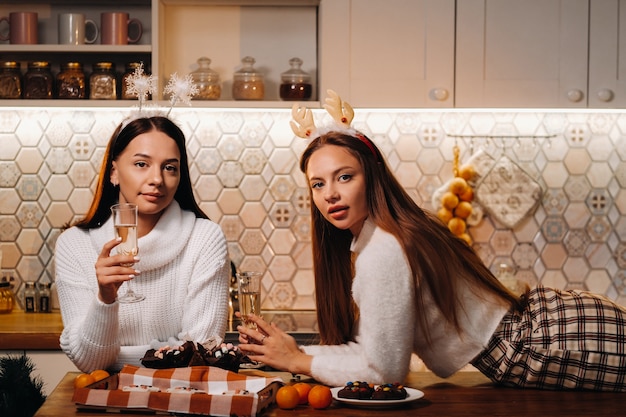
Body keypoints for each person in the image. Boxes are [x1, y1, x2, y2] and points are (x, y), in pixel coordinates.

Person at [238, 95, 626, 391]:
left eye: (344, 177)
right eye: (318, 184)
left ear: (371, 176)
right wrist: (296, 354)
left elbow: (383, 371)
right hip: (551, 327)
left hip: (551, 341)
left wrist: (298, 361)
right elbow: (376, 357)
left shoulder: (385, 248)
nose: (330, 195)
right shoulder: (386, 234)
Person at [55, 116, 230, 373]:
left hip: (180, 399)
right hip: (104, 403)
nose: (157, 179)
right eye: (141, 164)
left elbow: (200, 353)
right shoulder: (73, 245)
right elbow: (89, 363)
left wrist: (119, 357)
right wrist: (105, 299)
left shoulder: (205, 238)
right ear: (113, 172)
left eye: (170, 167)